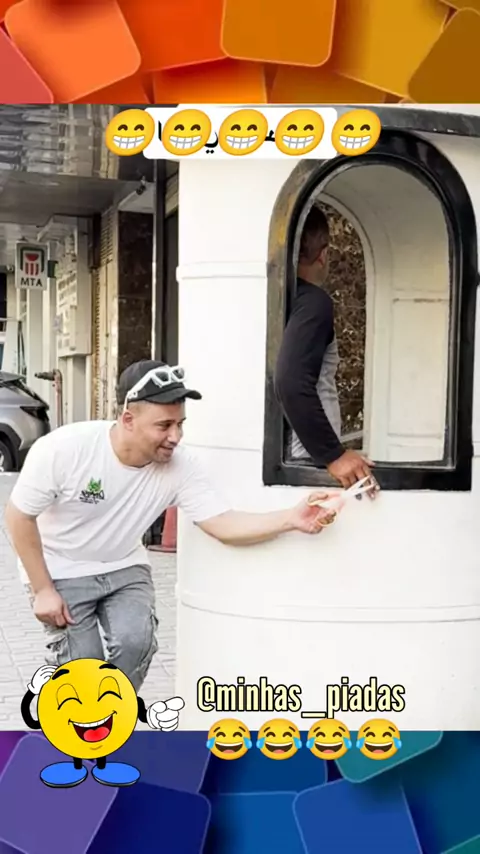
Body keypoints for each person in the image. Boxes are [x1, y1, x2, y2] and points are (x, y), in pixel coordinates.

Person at [5, 360, 338, 692]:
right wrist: (43, 590)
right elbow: (19, 516)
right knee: (83, 666)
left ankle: (109, 713)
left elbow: (221, 522)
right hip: (61, 567)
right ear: (128, 419)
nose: (175, 437)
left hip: (123, 564)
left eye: (180, 424)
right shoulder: (65, 450)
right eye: (164, 425)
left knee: (135, 643)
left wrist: (290, 518)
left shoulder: (181, 466)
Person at [275, 204, 377, 491]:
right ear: (323, 254)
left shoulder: (271, 300)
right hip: (307, 462)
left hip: (283, 456)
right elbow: (291, 382)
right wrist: (334, 455)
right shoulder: (313, 304)